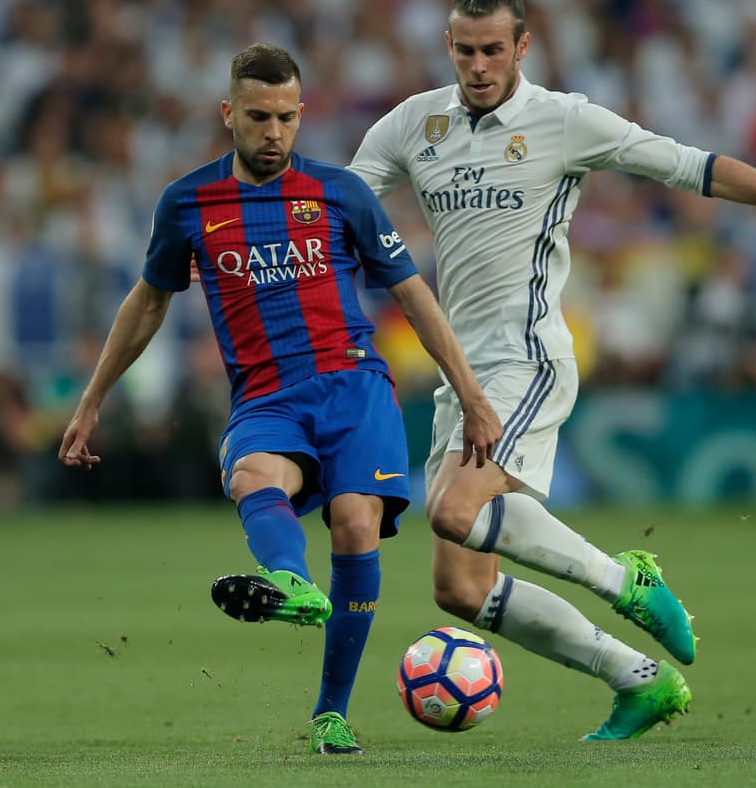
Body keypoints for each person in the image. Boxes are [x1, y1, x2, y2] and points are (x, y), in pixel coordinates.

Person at [349, 0, 756, 741]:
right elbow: (333, 207)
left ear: (523, 46)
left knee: (455, 509)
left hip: (528, 359)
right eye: (464, 51)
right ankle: (638, 679)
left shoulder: (564, 120)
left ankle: (623, 577)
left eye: (493, 50)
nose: (478, 66)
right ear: (448, 46)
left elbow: (689, 165)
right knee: (459, 588)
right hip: (460, 373)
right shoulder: (413, 124)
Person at [59, 42, 502, 756]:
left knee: (354, 522)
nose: (274, 132)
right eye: (259, 117)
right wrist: (92, 401)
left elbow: (413, 295)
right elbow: (148, 302)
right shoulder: (187, 203)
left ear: (302, 114)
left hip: (353, 384)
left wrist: (471, 394)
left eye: (287, 118)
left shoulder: (340, 192)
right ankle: (291, 583)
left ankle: (331, 713)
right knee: (251, 475)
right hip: (266, 394)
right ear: (228, 113)